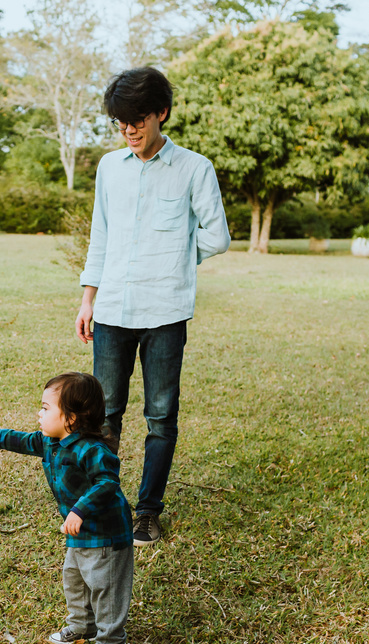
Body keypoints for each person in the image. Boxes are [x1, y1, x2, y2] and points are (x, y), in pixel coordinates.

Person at [75, 67, 231, 547]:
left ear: (161, 113)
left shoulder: (194, 168)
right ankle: (104, 503)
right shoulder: (108, 168)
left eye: (138, 120)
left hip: (165, 310)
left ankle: (147, 512)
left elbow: (217, 236)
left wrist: (177, 259)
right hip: (113, 310)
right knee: (105, 413)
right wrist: (88, 298)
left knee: (160, 415)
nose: (129, 131)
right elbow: (100, 234)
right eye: (121, 123)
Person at [0, 372, 134, 644]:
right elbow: (21, 439)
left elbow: (107, 483)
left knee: (104, 586)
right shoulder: (51, 442)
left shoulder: (92, 450)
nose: (39, 414)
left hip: (105, 533)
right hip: (79, 533)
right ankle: (83, 626)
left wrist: (79, 510)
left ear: (70, 418)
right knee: (75, 579)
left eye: (45, 408)